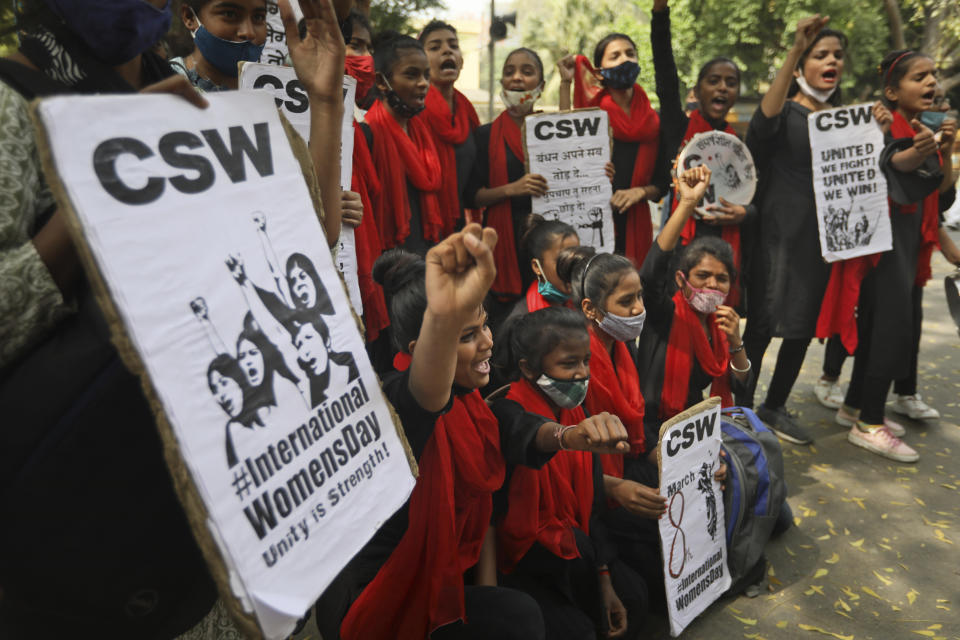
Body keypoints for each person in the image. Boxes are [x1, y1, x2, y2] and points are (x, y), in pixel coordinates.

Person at [0, 0, 224, 636]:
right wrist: (112, 167)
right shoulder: (13, 102)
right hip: (57, 540)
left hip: (174, 522)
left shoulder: (186, 97)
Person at [323, 225, 630, 640]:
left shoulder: (476, 407)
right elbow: (426, 397)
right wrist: (444, 317)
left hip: (450, 584)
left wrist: (570, 438)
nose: (487, 342)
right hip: (384, 600)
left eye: (484, 325)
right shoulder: (397, 405)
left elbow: (518, 431)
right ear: (420, 350)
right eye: (465, 336)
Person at [496, 307, 648, 639]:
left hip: (581, 546)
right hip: (527, 560)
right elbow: (532, 433)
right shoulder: (506, 409)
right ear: (528, 368)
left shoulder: (575, 408)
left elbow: (592, 506)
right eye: (568, 364)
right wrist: (568, 438)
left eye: (586, 362)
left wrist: (604, 578)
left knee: (634, 597)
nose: (581, 374)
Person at [835, 50, 956, 462]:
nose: (931, 83)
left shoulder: (923, 126)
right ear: (891, 90)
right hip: (884, 242)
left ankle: (854, 405)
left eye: (933, 76)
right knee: (890, 330)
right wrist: (921, 150)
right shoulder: (882, 126)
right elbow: (896, 162)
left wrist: (947, 148)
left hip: (907, 242)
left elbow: (940, 192)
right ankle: (868, 424)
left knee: (880, 329)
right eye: (919, 77)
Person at [739, 16, 847, 444]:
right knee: (762, 327)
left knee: (802, 327)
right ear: (802, 66)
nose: (832, 60)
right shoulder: (784, 112)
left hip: (823, 245)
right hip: (778, 239)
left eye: (838, 55)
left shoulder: (845, 121)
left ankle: (775, 405)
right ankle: (739, 408)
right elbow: (759, 129)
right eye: (821, 54)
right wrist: (794, 48)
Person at [650, 0, 751, 306]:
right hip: (681, 248)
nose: (722, 88)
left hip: (724, 252)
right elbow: (665, 75)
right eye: (713, 81)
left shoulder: (742, 147)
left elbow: (757, 200)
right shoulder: (678, 127)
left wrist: (746, 213)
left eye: (730, 83)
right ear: (698, 90)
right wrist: (660, 13)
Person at [558, 34, 665, 265]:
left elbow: (661, 184)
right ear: (599, 72)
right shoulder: (592, 115)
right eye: (615, 56)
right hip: (594, 221)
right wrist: (566, 82)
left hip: (637, 223)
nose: (625, 60)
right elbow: (563, 144)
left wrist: (640, 192)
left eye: (630, 54)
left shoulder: (655, 121)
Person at [464, 47, 549, 308]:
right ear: (501, 82)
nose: (517, 78)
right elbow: (472, 197)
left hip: (547, 239)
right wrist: (511, 189)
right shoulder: (484, 135)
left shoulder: (555, 131)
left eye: (527, 71)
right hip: (504, 241)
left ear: (541, 85)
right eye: (509, 72)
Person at [363, 32, 442, 257]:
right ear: (381, 82)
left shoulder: (423, 132)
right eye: (411, 75)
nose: (423, 83)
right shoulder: (368, 133)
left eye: (426, 75)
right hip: (389, 261)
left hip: (426, 253)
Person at [418, 19, 480, 234]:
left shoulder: (468, 112)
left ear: (461, 60)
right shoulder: (412, 111)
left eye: (453, 46)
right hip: (421, 226)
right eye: (435, 47)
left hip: (458, 226)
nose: (447, 51)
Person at [173, 0, 268, 92]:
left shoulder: (273, 93)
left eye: (258, 17)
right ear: (190, 17)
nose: (249, 32)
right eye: (229, 14)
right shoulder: (164, 84)